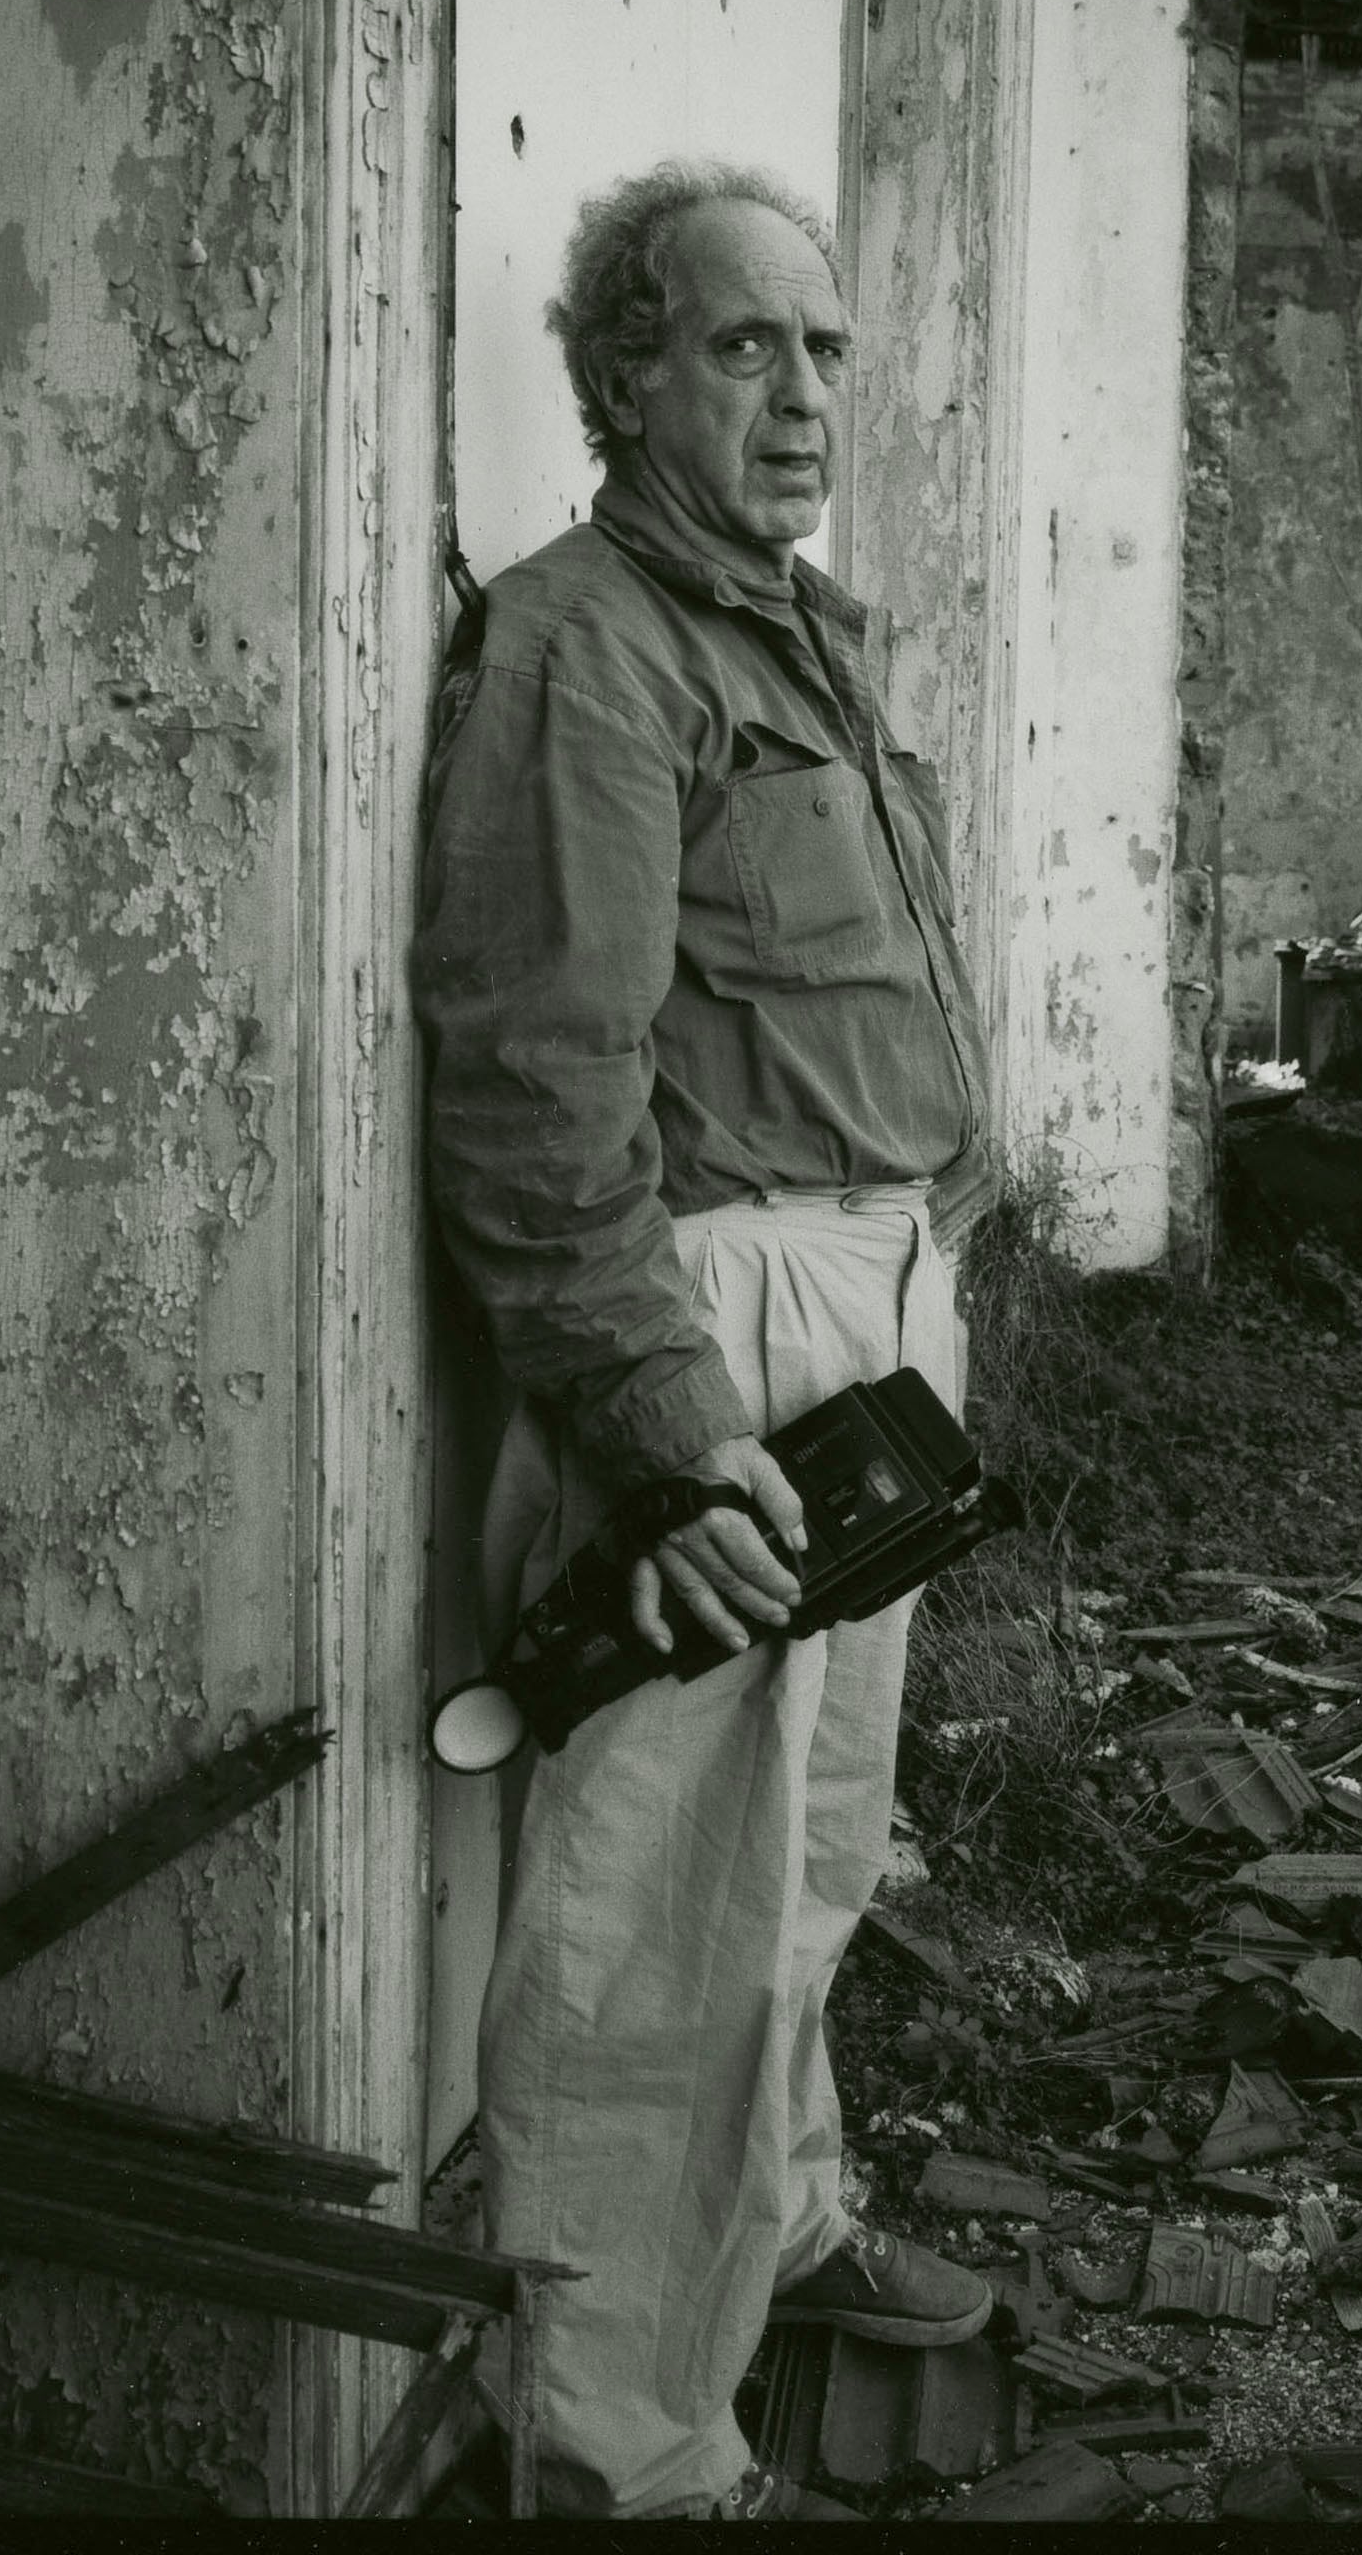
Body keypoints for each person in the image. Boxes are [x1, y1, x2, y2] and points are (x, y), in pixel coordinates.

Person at [417, 162, 1000, 2520]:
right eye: (742, 348)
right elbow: (536, 1086)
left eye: (825, 351)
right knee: (659, 1924)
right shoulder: (591, 646)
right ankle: (616, 2451)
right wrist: (659, 1435)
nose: (798, 398)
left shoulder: (784, 626)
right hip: (725, 1320)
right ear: (624, 374)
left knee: (811, 1857)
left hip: (864, 1304)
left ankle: (784, 2240)